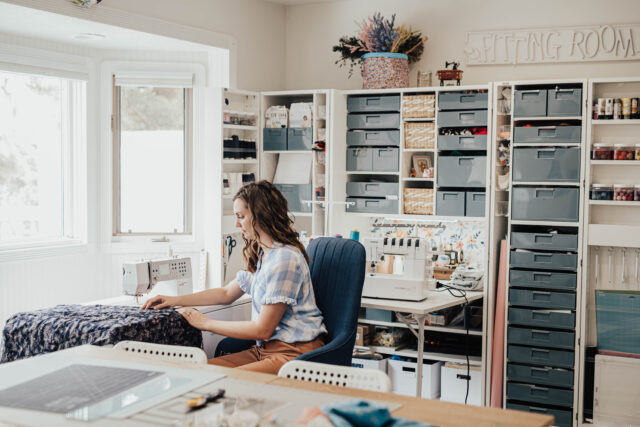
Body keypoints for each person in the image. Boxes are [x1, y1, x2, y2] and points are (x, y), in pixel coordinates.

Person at [142, 180, 327, 374]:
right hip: (265, 350)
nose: (237, 223)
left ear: (261, 215)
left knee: (216, 379)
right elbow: (226, 293)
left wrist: (206, 323)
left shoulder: (284, 259)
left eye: (241, 216)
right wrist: (173, 300)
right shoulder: (266, 254)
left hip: (294, 354)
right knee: (192, 372)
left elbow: (263, 329)